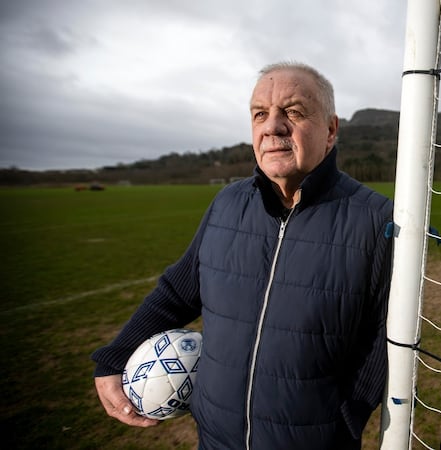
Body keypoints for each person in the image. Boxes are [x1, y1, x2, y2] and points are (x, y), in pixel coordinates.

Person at [92, 61, 394, 449]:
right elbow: (177, 293)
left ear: (331, 130)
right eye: (260, 114)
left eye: (293, 112)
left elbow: (387, 335)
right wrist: (115, 356)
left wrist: (347, 416)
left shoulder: (376, 219)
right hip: (216, 439)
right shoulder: (227, 204)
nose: (272, 127)